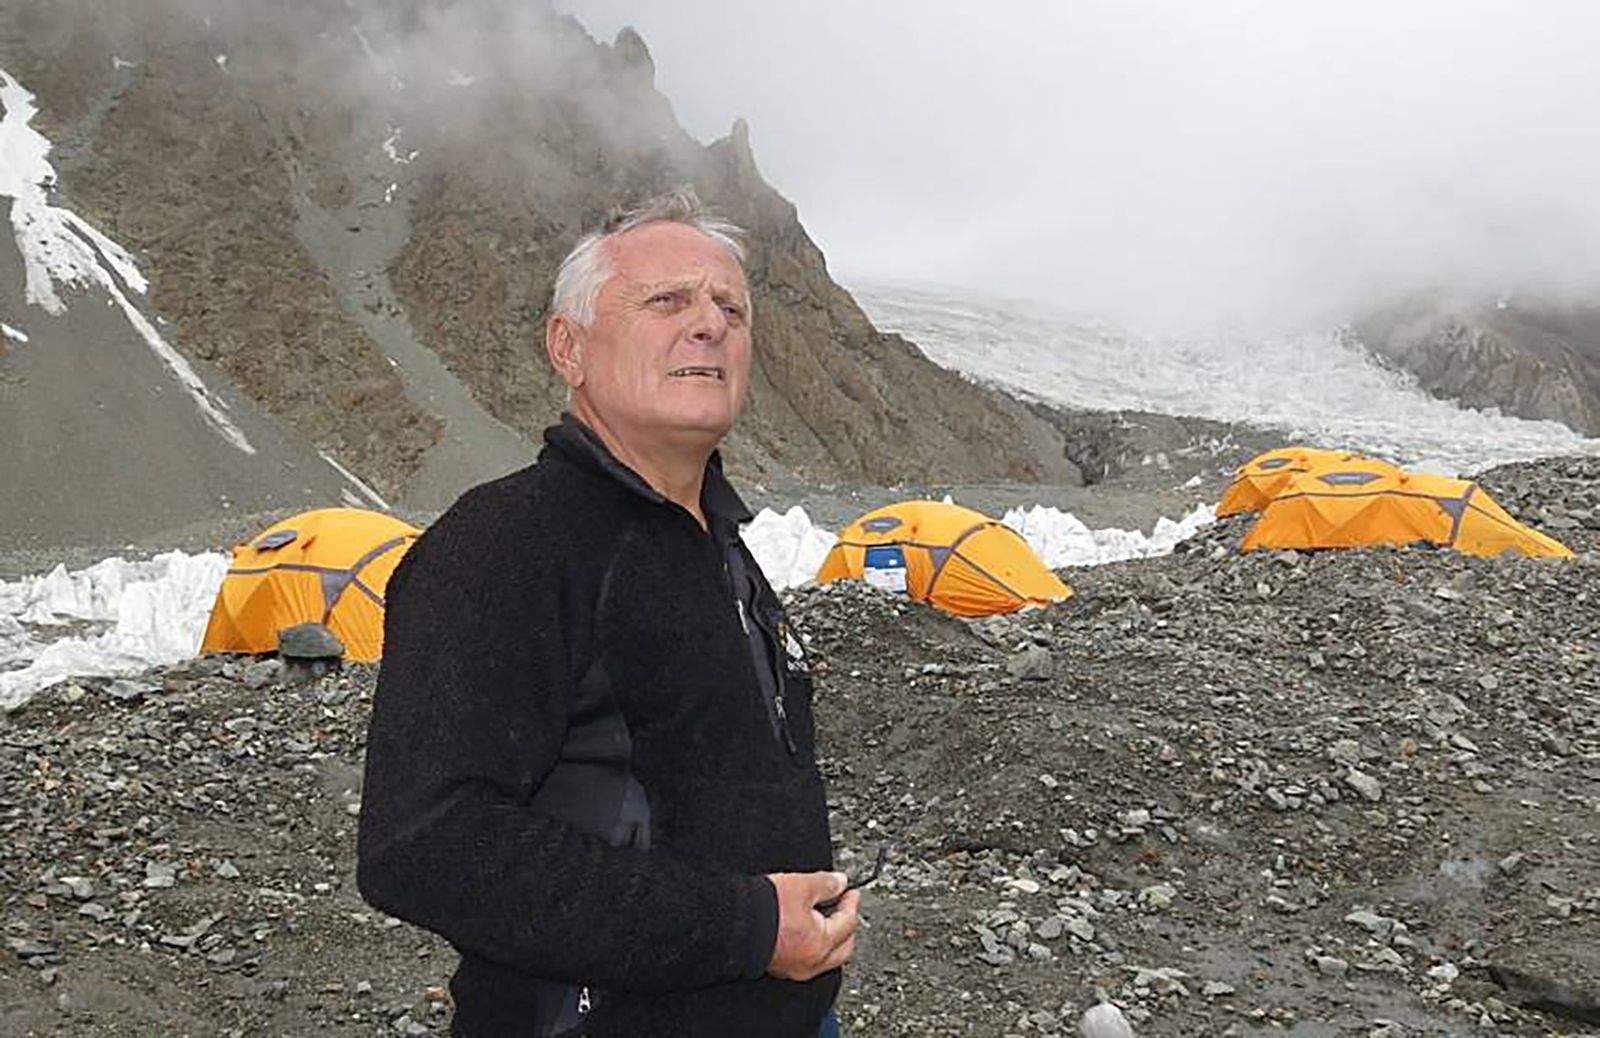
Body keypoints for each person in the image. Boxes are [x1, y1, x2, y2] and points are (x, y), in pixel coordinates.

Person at [356, 188, 858, 1037]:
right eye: (667, 301)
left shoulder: (718, 546)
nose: (710, 324)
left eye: (731, 307)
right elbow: (425, 843)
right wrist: (746, 927)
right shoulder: (508, 542)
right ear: (569, 347)